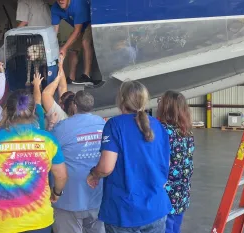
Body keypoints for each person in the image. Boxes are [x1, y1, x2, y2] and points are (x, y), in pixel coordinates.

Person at [0, 89, 68, 233]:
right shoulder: (48, 140)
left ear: (6, 110)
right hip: (39, 221)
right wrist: (56, 193)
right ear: (33, 113)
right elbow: (61, 175)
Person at [87, 81, 172, 233]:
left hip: (125, 211)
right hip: (155, 208)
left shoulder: (114, 125)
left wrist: (94, 174)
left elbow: (106, 167)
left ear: (121, 100)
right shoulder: (158, 126)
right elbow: (165, 163)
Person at [51, 91, 105, 233]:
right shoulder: (102, 123)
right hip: (96, 196)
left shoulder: (62, 127)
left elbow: (49, 152)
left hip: (69, 199)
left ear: (74, 105)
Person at [157, 91, 195, 233]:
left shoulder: (162, 131)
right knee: (174, 227)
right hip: (182, 193)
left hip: (166, 194)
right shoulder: (187, 132)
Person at [51, 0, 98, 86]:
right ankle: (71, 78)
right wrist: (52, 48)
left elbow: (77, 31)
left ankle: (86, 76)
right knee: (72, 48)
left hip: (91, 22)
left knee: (85, 42)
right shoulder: (55, 8)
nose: (61, 0)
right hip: (79, 26)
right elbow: (54, 31)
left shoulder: (78, 4)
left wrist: (64, 48)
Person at [42, 54, 76, 130]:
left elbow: (46, 94)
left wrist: (57, 79)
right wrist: (60, 66)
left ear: (62, 106)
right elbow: (62, 87)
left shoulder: (59, 115)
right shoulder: (73, 113)